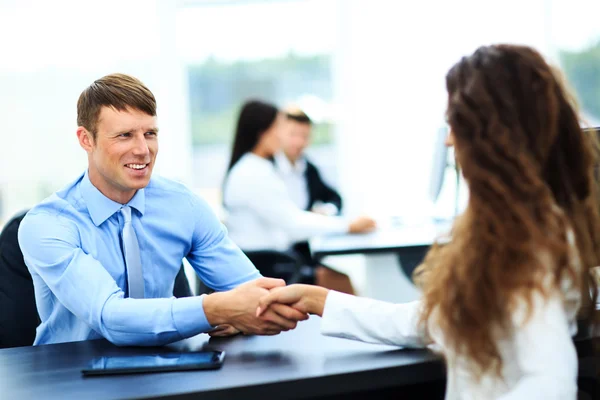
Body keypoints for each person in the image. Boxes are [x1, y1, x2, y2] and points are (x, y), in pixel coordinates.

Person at [258, 44, 600, 399]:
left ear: (494, 135)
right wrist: (321, 300)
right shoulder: (504, 229)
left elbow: (550, 383)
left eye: (456, 122)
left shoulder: (530, 242)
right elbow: (433, 321)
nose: (449, 140)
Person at [18, 74, 307, 346]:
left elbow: (258, 294)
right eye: (125, 135)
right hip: (70, 378)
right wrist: (215, 310)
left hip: (169, 369)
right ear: (86, 139)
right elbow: (110, 315)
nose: (143, 149)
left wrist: (252, 310)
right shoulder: (48, 224)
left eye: (150, 133)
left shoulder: (182, 205)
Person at [223, 100, 375, 293]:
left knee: (339, 284)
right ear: (262, 132)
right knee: (340, 285)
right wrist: (348, 226)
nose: (282, 135)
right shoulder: (253, 173)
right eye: (279, 127)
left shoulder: (257, 168)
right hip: (268, 266)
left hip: (272, 262)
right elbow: (292, 224)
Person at [275, 106, 342, 216]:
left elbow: (334, 197)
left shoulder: (308, 168)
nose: (299, 142)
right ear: (279, 132)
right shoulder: (268, 167)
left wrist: (326, 211)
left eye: (305, 136)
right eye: (293, 134)